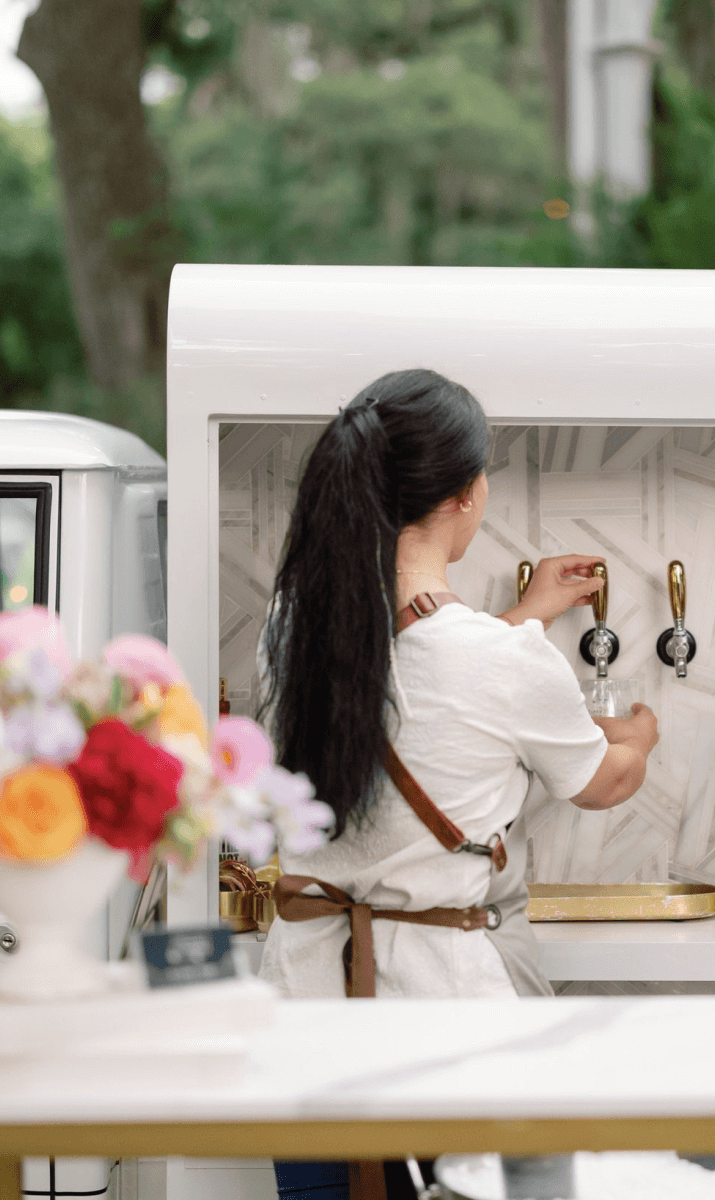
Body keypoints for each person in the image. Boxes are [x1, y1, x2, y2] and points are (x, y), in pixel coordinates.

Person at [255, 369, 659, 1200]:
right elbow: (604, 782)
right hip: (441, 1019)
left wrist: (528, 616)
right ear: (467, 496)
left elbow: (410, 682)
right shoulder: (500, 661)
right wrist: (642, 737)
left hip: (300, 1009)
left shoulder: (292, 622)